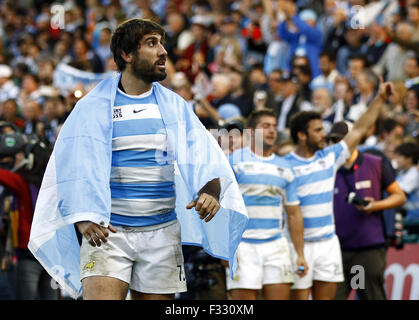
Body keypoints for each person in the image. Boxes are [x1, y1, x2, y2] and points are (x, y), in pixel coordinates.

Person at [28, 18, 248, 300]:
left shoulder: (176, 107)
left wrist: (210, 192)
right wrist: (82, 218)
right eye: (151, 43)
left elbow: (209, 162)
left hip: (162, 233)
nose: (163, 52)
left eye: (162, 43)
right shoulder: (91, 108)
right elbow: (70, 168)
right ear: (126, 55)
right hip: (108, 234)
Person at [283, 79, 395, 300]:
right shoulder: (283, 165)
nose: (323, 135)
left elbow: (360, 128)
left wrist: (380, 98)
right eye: (317, 131)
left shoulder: (329, 157)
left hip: (327, 244)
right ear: (302, 135)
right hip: (297, 246)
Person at [225, 109, 308, 300]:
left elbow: (294, 213)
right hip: (242, 246)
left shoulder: (285, 167)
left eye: (274, 126)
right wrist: (225, 248)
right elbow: (222, 208)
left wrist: (300, 253)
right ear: (251, 132)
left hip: (276, 246)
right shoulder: (232, 161)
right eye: (265, 126)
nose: (272, 131)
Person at [329, 121, 406, 300]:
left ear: (355, 140)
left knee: (369, 296)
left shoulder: (374, 164)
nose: (338, 144)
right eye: (334, 140)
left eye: (342, 140)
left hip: (365, 250)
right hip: (335, 250)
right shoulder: (327, 168)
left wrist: (376, 205)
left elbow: (399, 196)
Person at [394, 142, 419, 225]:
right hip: (407, 219)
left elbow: (398, 193)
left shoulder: (413, 174)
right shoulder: (401, 173)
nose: (396, 159)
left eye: (399, 157)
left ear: (409, 159)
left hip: (414, 220)